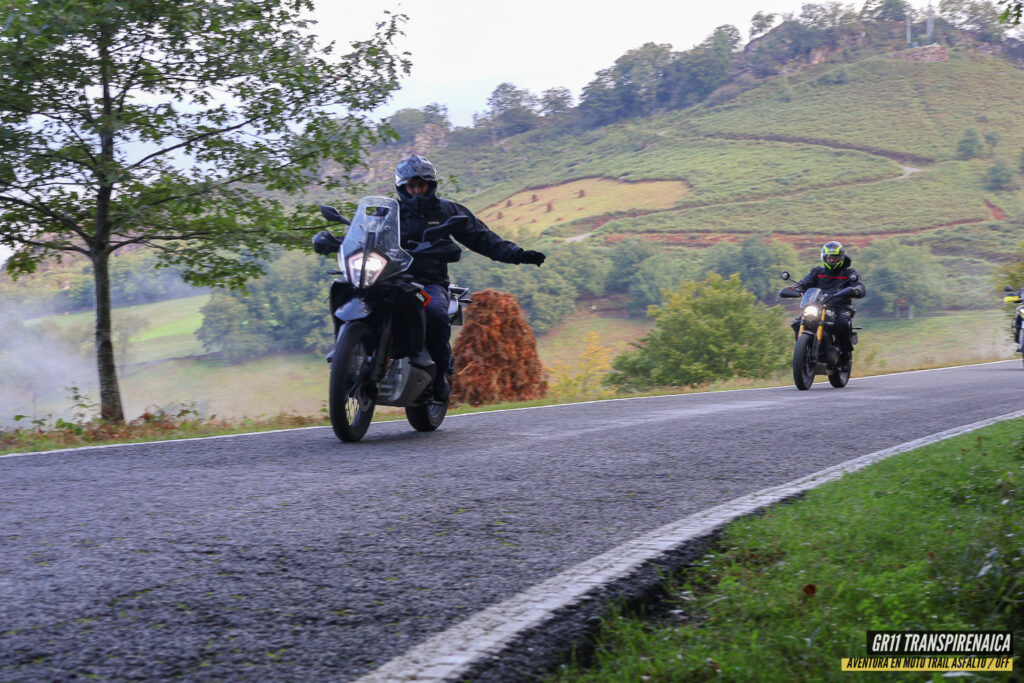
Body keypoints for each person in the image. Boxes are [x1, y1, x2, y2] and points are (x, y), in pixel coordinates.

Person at [393, 154, 546, 402]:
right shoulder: (390, 212)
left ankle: (440, 374)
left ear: (430, 185)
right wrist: (337, 243)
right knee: (348, 290)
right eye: (411, 186)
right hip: (391, 280)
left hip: (429, 283)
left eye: (421, 185)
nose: (417, 191)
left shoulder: (447, 211)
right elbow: (364, 233)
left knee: (434, 312)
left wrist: (519, 255)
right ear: (402, 188)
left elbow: (483, 238)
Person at [780, 241, 866, 369]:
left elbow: (859, 286)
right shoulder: (817, 272)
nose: (832, 260)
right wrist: (795, 289)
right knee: (798, 322)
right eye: (829, 258)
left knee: (841, 323)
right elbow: (804, 283)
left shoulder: (849, 273)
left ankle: (845, 357)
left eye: (835, 258)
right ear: (824, 257)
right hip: (818, 306)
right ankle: (803, 351)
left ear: (841, 258)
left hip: (840, 307)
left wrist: (855, 290)